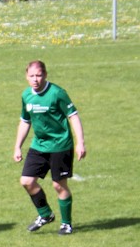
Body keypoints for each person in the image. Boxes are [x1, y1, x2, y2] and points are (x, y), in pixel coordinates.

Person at [13, 60, 86, 235]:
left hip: (60, 146)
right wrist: (17, 147)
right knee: (26, 181)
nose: (35, 79)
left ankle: (66, 224)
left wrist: (80, 142)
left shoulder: (57, 93)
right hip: (39, 145)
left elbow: (73, 116)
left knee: (58, 186)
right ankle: (45, 214)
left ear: (45, 75)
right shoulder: (26, 95)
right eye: (31, 76)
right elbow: (25, 121)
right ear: (26, 77)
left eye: (39, 75)